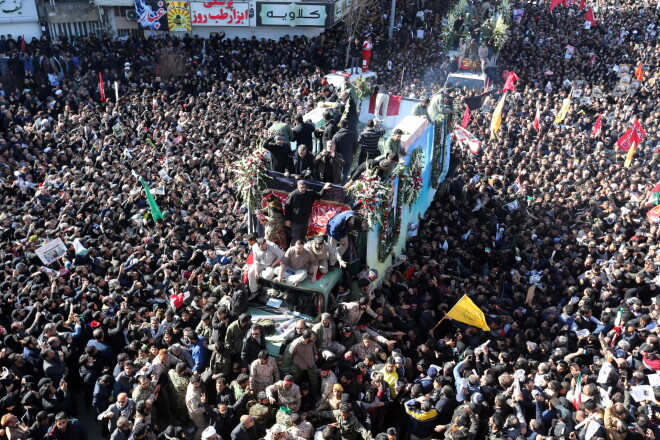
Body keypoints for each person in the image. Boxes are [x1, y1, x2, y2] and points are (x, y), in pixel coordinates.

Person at [332, 119, 359, 184]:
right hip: (349, 156)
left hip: (338, 157)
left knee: (338, 171)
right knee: (345, 173)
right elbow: (356, 145)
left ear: (340, 125)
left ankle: (337, 185)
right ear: (347, 125)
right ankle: (342, 186)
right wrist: (354, 152)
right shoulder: (352, 134)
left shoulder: (336, 135)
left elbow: (333, 146)